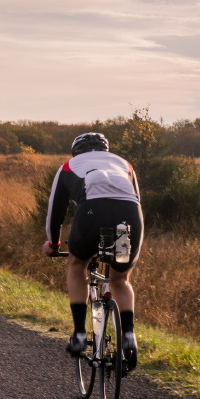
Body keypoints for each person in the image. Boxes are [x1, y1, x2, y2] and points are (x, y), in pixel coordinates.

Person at [42, 132, 143, 367]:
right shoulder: (124, 164)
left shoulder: (68, 166)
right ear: (106, 150)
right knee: (121, 278)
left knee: (77, 265)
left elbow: (55, 212)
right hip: (128, 216)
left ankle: (79, 333)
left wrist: (53, 244)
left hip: (90, 213)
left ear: (76, 151)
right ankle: (128, 335)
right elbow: (135, 199)